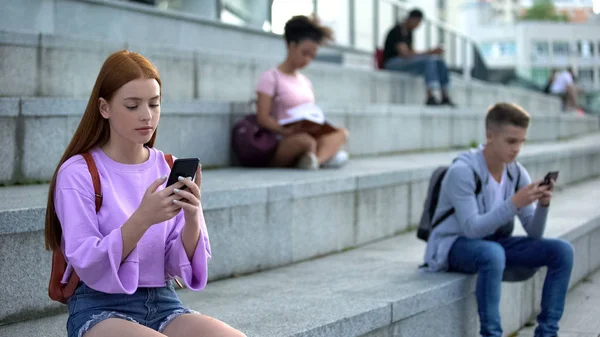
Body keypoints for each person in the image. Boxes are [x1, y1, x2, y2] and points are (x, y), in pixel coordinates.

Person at [44, 50, 245, 337]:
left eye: (154, 103)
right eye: (132, 105)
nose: (146, 116)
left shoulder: (167, 167)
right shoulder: (77, 173)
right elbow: (87, 259)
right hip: (99, 308)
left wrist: (191, 219)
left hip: (163, 303)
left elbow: (177, 264)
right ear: (104, 108)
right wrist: (143, 218)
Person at [423, 103, 574, 337]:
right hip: (452, 245)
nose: (517, 149)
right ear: (489, 136)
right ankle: (491, 334)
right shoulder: (463, 171)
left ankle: (547, 333)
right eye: (511, 141)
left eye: (522, 141)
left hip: (492, 243)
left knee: (562, 250)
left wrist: (543, 205)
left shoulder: (516, 172)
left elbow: (534, 234)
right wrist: (514, 203)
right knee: (492, 253)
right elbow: (472, 229)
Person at [253, 15, 349, 170]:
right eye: (304, 53)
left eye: (312, 56)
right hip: (282, 138)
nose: (307, 60)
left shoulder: (305, 81)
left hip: (308, 134)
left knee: (341, 133)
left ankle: (314, 160)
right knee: (306, 141)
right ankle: (321, 158)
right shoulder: (271, 77)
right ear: (291, 46)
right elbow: (263, 118)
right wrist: (286, 130)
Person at [383, 9, 455, 107]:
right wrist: (430, 52)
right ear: (411, 19)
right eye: (417, 22)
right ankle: (430, 96)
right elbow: (405, 54)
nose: (417, 26)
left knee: (439, 62)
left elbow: (412, 53)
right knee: (429, 60)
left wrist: (431, 53)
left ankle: (445, 96)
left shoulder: (409, 32)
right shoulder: (397, 31)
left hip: (403, 62)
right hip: (392, 63)